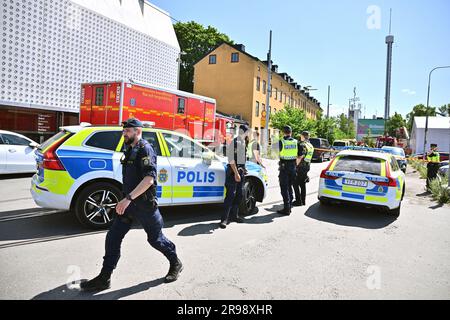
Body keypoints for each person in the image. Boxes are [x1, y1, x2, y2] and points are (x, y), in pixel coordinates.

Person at [80, 118, 183, 292]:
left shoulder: (145, 149)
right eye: (124, 131)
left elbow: (149, 180)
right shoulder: (130, 149)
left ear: (137, 131)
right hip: (128, 205)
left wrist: (127, 198)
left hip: (144, 205)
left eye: (127, 131)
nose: (124, 134)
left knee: (156, 240)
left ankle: (175, 262)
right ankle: (104, 278)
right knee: (113, 237)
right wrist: (125, 199)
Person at [220, 124, 250, 229]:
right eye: (247, 131)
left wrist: (243, 169)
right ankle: (224, 219)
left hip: (240, 172)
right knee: (230, 196)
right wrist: (236, 173)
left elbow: (242, 159)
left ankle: (234, 216)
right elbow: (231, 160)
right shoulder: (235, 142)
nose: (248, 133)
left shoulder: (243, 143)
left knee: (239, 195)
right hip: (233, 172)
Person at [277, 126, 300, 215]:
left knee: (284, 188)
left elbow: (274, 153)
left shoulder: (281, 141)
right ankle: (289, 206)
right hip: (293, 167)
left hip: (284, 167)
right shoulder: (296, 142)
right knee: (290, 186)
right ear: (291, 132)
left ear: (283, 132)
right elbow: (300, 155)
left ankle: (286, 209)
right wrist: (295, 165)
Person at [293, 131, 314, 206]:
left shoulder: (302, 144)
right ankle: (303, 200)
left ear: (302, 136)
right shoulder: (310, 145)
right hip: (307, 166)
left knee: (295, 183)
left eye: (301, 136)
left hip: (300, 167)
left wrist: (295, 165)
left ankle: (298, 201)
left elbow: (300, 156)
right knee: (302, 184)